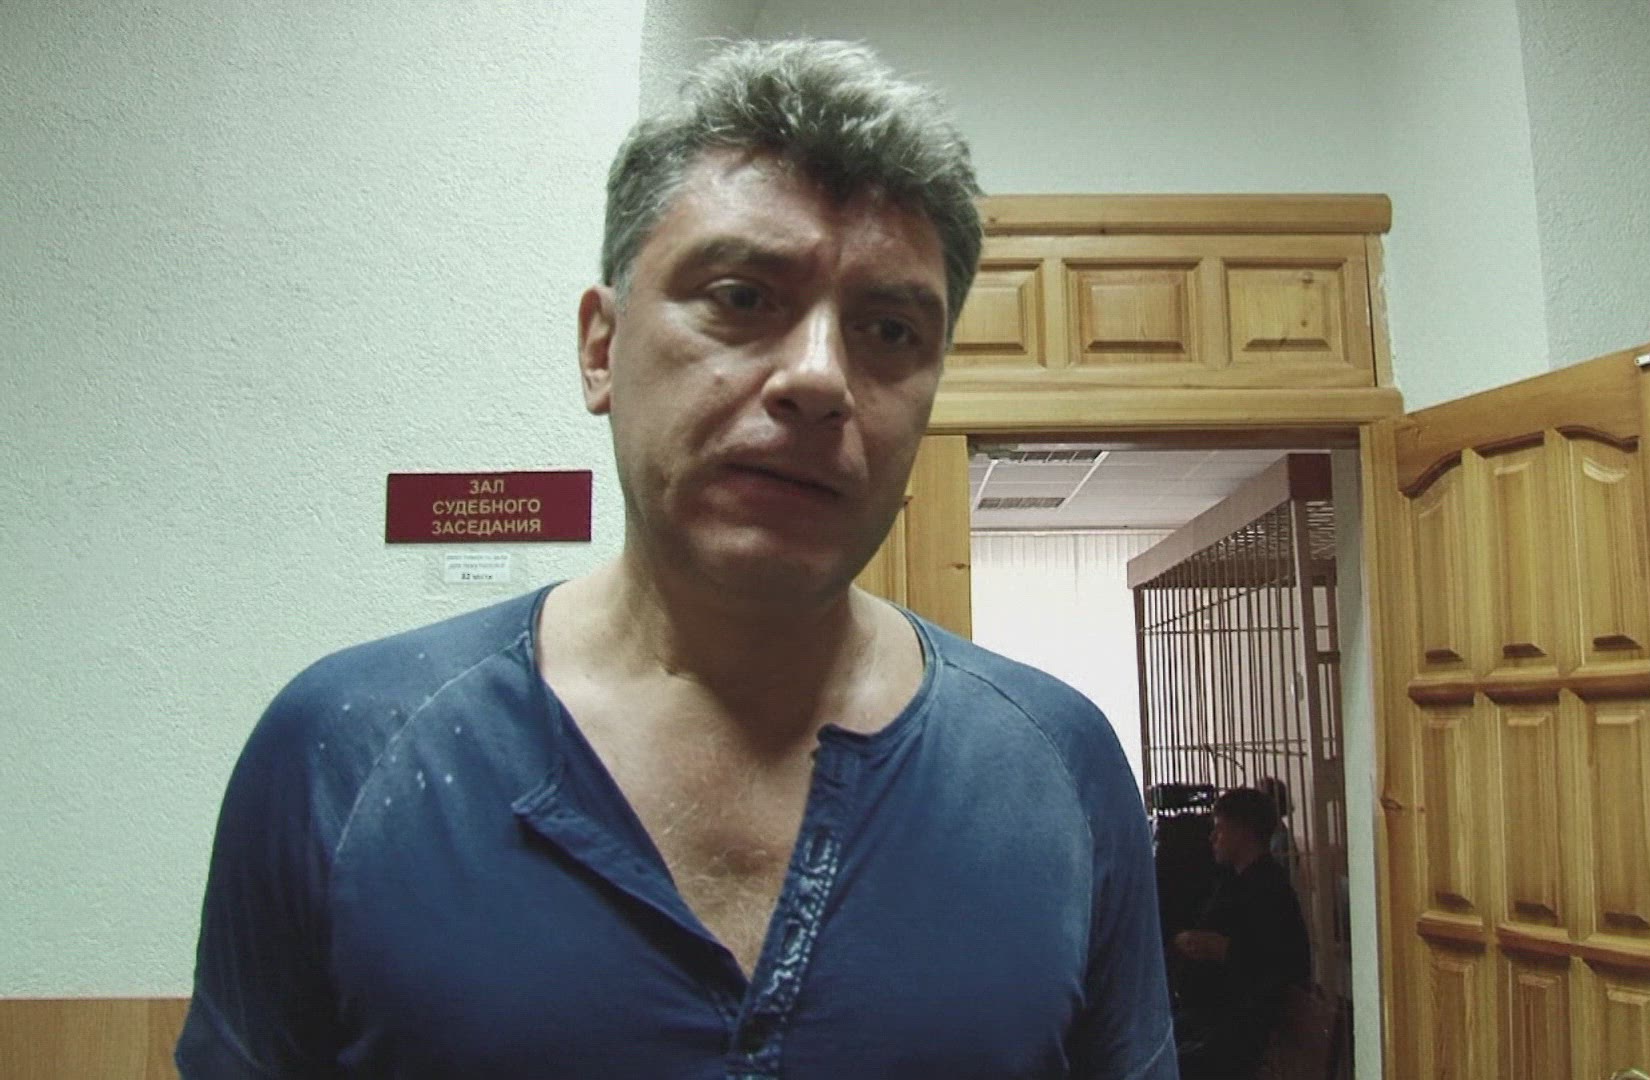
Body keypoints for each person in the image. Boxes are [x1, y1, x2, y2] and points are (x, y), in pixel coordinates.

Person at [177, 39, 1174, 1078]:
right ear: (600, 348)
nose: (818, 379)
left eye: (888, 330)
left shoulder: (1056, 770)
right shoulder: (347, 749)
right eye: (741, 297)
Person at [1170, 787, 1311, 1080]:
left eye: (1219, 829)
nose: (1212, 838)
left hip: (1240, 1032)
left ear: (1242, 833)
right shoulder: (1239, 880)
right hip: (1219, 1020)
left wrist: (1224, 949)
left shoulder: (1267, 890)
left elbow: (1283, 967)